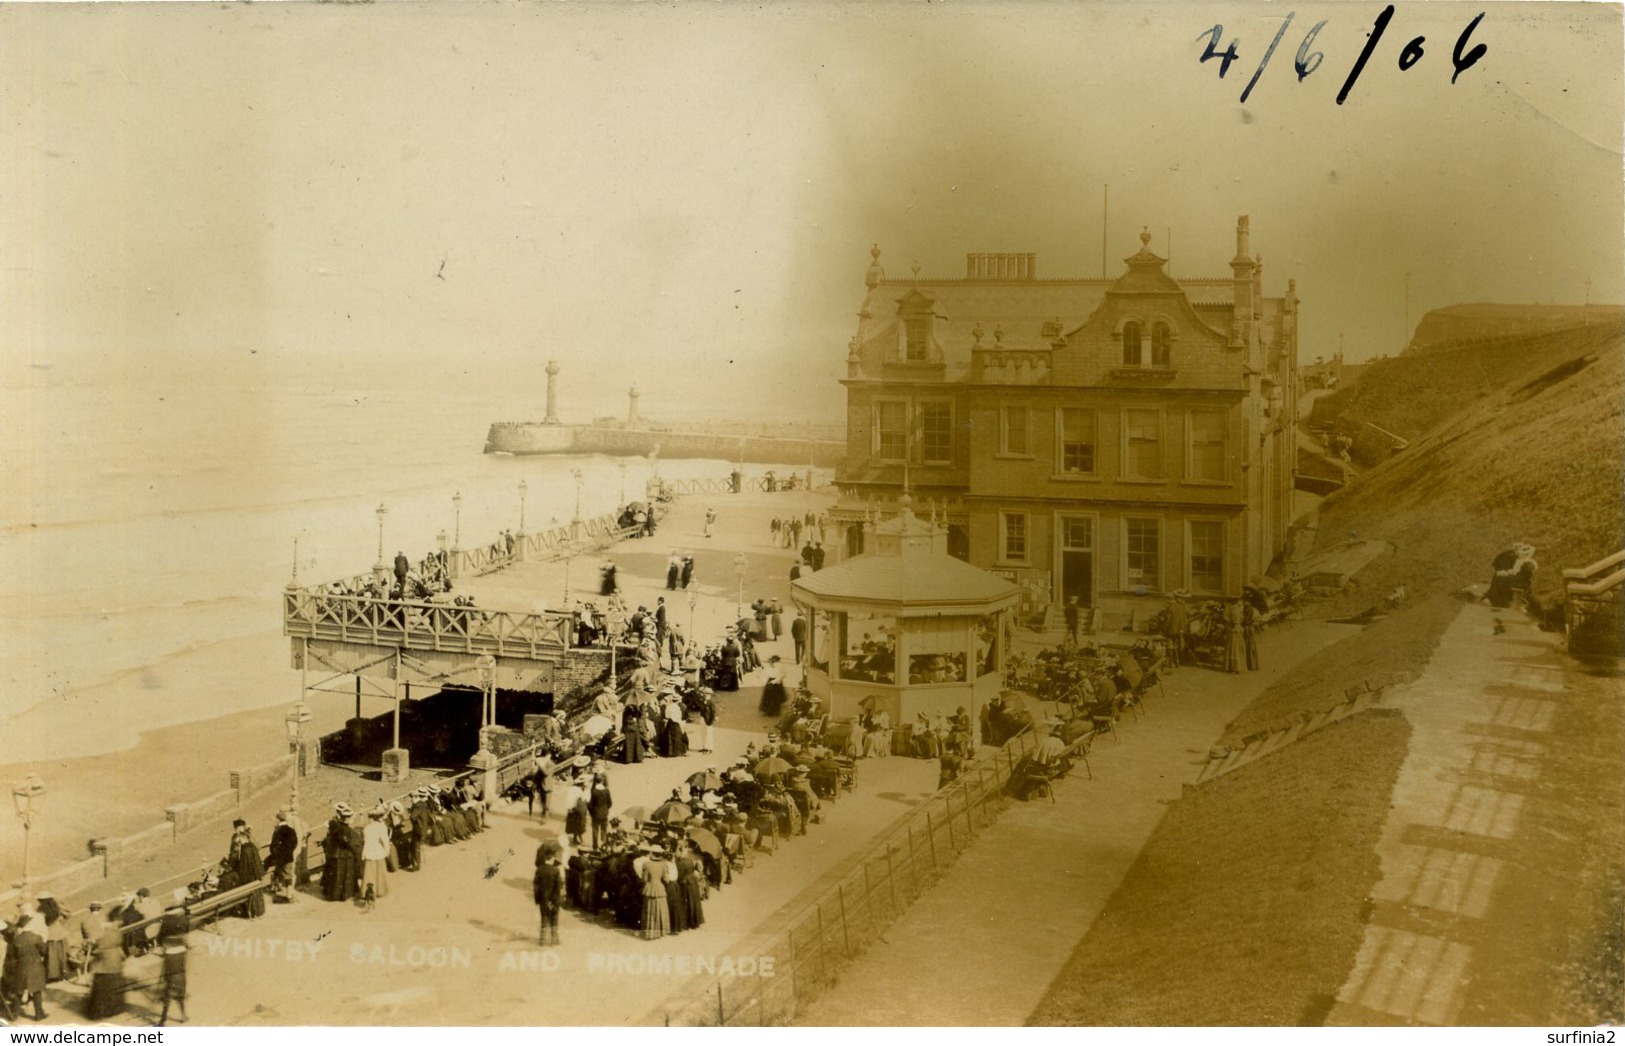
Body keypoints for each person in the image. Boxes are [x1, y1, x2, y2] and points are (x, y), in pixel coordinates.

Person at [86, 915, 126, 1020]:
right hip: (115, 961)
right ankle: (113, 1009)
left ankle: (101, 1011)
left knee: (102, 988)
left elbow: (99, 945)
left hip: (104, 963)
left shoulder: (104, 932)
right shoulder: (115, 931)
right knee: (114, 986)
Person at [156, 902, 189, 1026]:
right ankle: (183, 1014)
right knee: (180, 979)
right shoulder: (183, 919)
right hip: (181, 952)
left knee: (168, 986)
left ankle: (162, 1020)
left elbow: (159, 937)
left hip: (170, 953)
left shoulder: (166, 921)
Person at [226, 820, 266, 918]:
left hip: (245, 870)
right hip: (254, 870)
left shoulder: (239, 839)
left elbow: (233, 858)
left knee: (248, 889)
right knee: (255, 890)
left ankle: (253, 912)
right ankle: (257, 912)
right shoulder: (240, 838)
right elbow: (258, 847)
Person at [321, 802, 360, 902]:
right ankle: (344, 894)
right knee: (345, 874)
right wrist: (355, 851)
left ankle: (333, 894)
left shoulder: (336, 826)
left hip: (335, 853)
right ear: (347, 818)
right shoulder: (347, 830)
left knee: (336, 875)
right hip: (346, 854)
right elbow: (348, 843)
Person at [11, 915, 46, 1021]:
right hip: (35, 968)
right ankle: (39, 1014)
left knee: (18, 992)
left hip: (21, 968)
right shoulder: (37, 938)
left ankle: (14, 1015)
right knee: (36, 991)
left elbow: (13, 956)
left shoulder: (16, 940)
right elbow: (44, 951)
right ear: (29, 925)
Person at [533, 840, 565, 946]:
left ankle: (543, 940)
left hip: (543, 899)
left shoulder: (539, 870)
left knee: (544, 917)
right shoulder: (556, 871)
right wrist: (558, 899)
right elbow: (558, 886)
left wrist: (537, 899)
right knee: (554, 917)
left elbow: (536, 886)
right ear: (552, 858)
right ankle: (554, 940)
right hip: (553, 899)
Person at [360, 806, 391, 910]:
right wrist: (387, 851)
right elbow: (385, 841)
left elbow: (365, 840)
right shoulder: (382, 827)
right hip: (378, 852)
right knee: (379, 872)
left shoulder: (367, 828)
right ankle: (380, 890)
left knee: (369, 874)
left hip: (369, 852)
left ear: (372, 818)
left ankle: (368, 893)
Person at [639, 845, 672, 940]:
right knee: (661, 908)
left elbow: (644, 879)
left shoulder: (647, 864)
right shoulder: (663, 864)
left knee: (650, 909)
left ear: (652, 853)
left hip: (650, 887)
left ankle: (650, 931)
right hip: (660, 888)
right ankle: (661, 930)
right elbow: (666, 879)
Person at [268, 810, 299, 902]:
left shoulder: (277, 831)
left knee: (277, 872)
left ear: (278, 820)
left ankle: (274, 889)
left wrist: (276, 854)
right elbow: (295, 843)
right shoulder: (291, 830)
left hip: (279, 858)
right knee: (289, 876)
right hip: (288, 857)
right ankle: (289, 895)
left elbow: (273, 845)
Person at [588, 773, 613, 851]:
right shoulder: (606, 790)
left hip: (596, 813)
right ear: (602, 781)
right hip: (604, 813)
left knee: (595, 830)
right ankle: (603, 844)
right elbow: (610, 803)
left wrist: (591, 812)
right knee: (604, 829)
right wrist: (606, 809)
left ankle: (595, 846)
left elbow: (591, 804)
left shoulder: (594, 791)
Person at [1165, 590, 1191, 667]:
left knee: (1170, 645)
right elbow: (1185, 618)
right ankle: (1178, 661)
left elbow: (1167, 620)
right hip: (1180, 630)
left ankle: (1171, 661)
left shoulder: (1171, 607)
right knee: (1176, 645)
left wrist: (1164, 628)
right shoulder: (1183, 607)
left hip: (1171, 629)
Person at [1224, 598, 1246, 675]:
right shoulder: (1240, 609)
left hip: (1234, 629)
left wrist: (1230, 621)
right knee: (1238, 647)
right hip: (1238, 629)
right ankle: (1239, 667)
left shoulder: (1234, 609)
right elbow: (1241, 619)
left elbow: (1232, 620)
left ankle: (1233, 668)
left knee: (1233, 648)